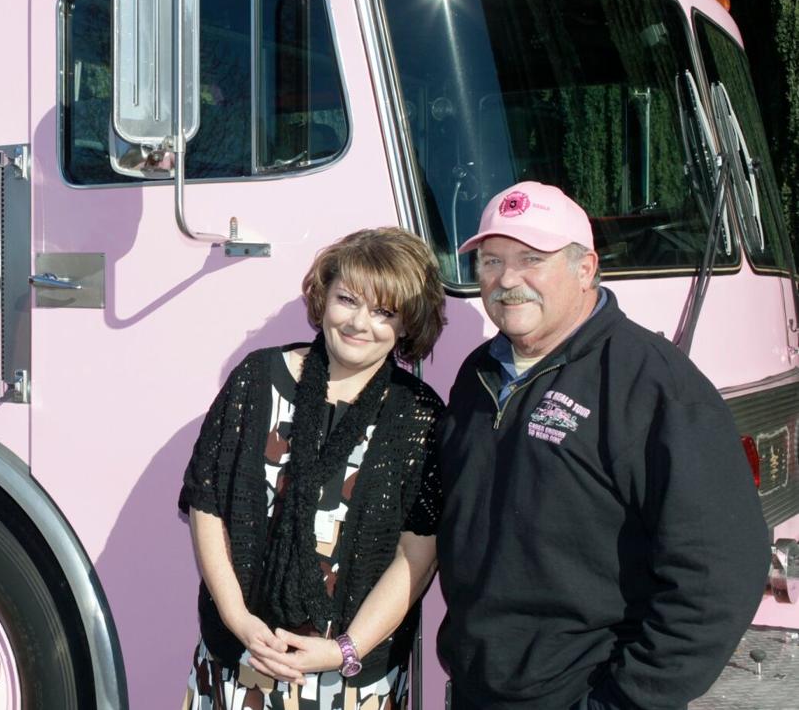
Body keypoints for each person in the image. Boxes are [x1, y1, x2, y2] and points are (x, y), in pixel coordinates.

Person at [437, 181, 770, 710]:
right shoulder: (477, 376)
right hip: (479, 691)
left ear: (585, 268)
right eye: (492, 261)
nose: (507, 280)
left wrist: (626, 700)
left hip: (583, 695)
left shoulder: (653, 384)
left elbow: (720, 571)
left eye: (531, 259)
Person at [179, 227, 448, 709]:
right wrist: (238, 619)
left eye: (384, 311)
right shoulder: (256, 380)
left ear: (407, 324)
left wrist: (346, 649)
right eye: (348, 299)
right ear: (323, 298)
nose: (360, 322)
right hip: (242, 659)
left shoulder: (419, 416)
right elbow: (207, 505)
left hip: (354, 681)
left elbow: (418, 552)